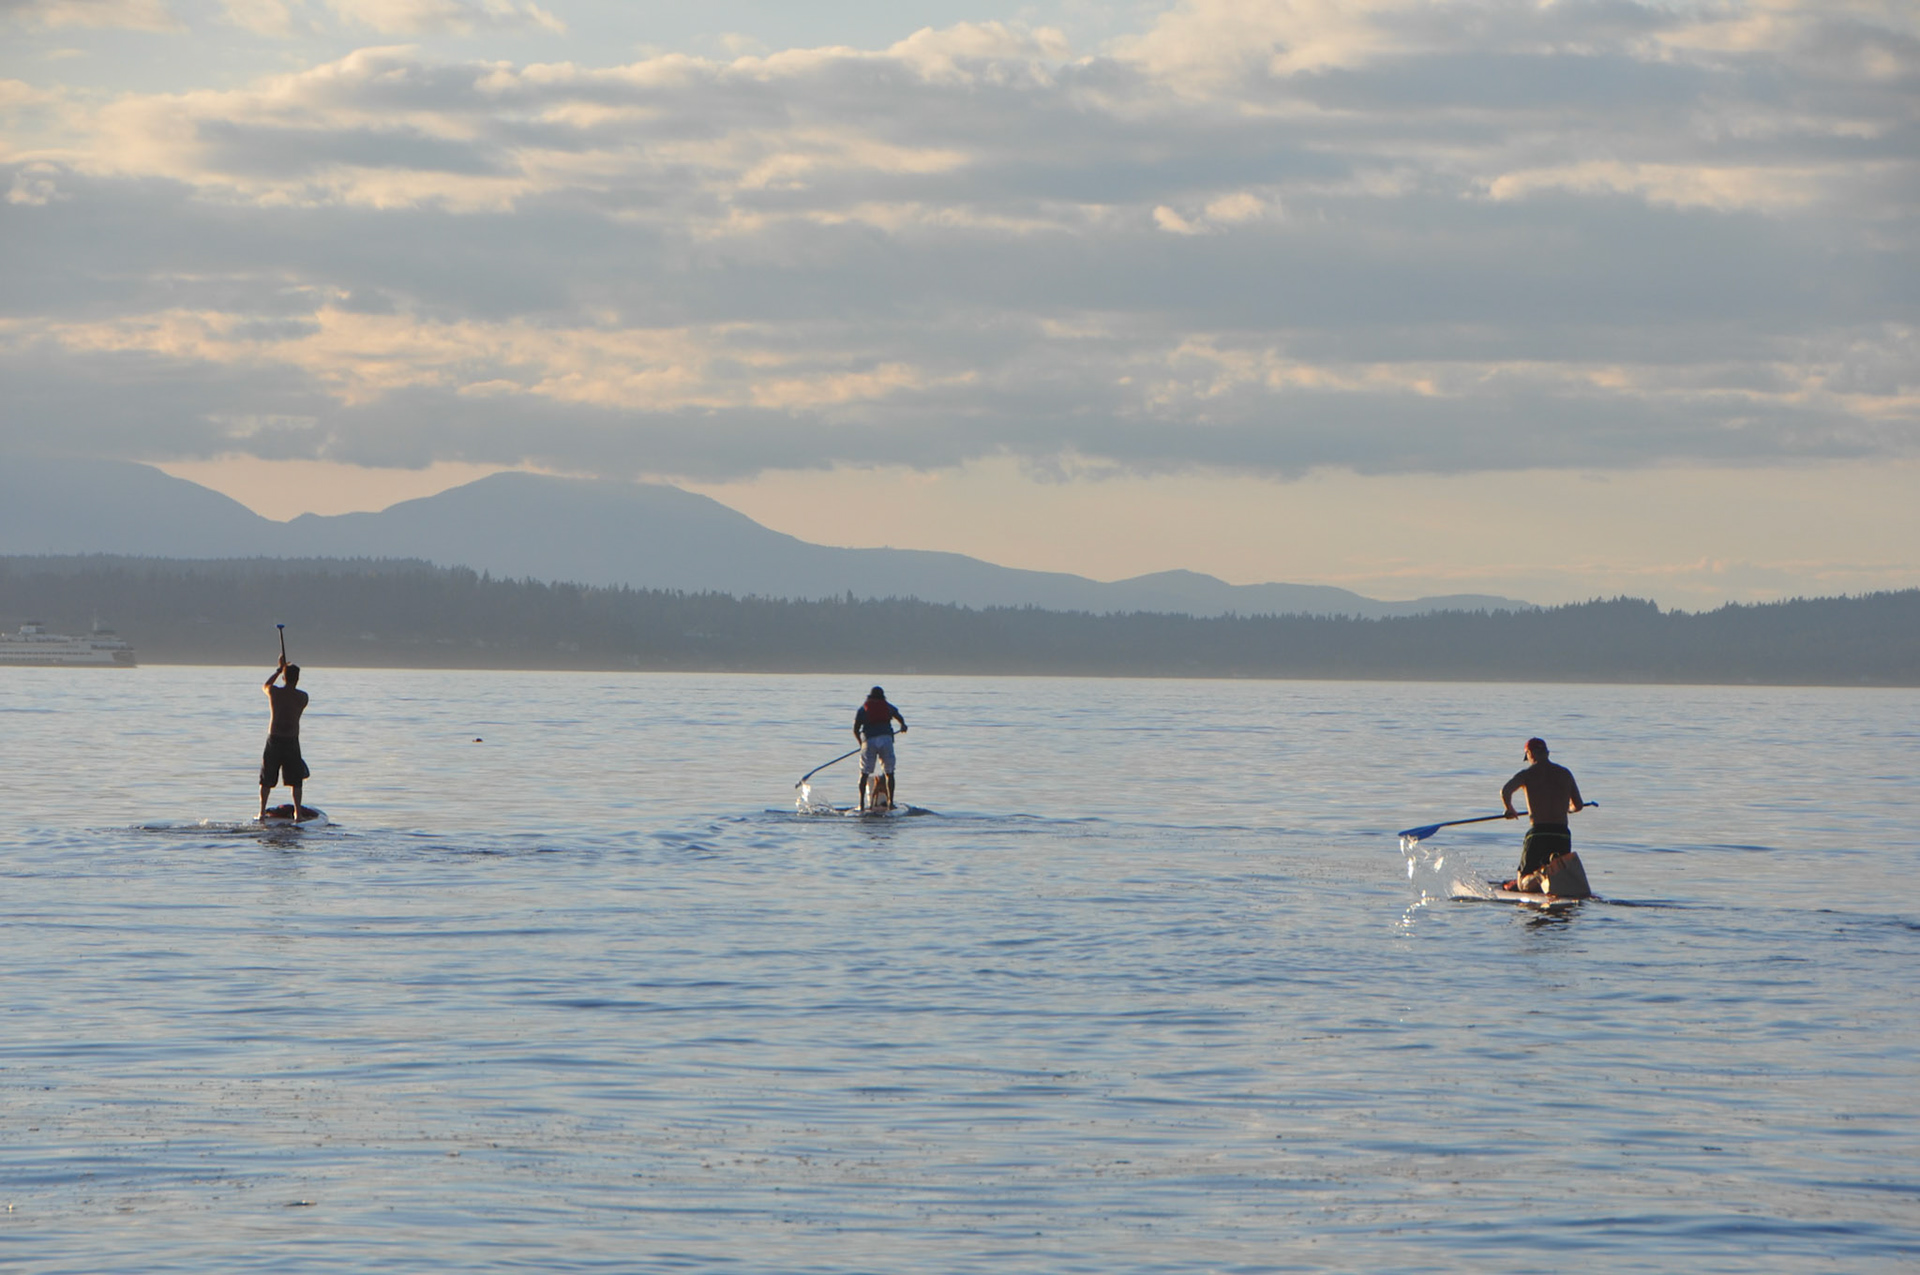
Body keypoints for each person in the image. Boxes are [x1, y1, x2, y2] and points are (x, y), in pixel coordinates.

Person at [1500, 737, 1585, 890]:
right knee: (1557, 876)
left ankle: (1540, 874)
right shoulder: (1565, 773)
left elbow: (1505, 791)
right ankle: (1548, 873)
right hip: (1562, 834)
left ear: (1530, 753)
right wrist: (1568, 809)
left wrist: (1509, 809)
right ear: (1547, 753)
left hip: (1539, 833)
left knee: (1522, 884)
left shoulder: (1527, 774)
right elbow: (1578, 805)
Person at [260, 654, 312, 820]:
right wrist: (284, 671)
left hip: (275, 740)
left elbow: (266, 685)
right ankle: (297, 813)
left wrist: (278, 669)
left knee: (267, 778)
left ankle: (261, 812)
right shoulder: (302, 697)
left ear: (283, 677)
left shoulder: (274, 692)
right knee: (295, 780)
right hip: (290, 740)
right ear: (297, 679)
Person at [853, 685, 907, 810]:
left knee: (864, 773)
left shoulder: (863, 709)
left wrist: (861, 744)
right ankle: (890, 803)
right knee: (889, 772)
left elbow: (855, 729)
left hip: (869, 741)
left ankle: (861, 804)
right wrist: (903, 726)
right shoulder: (887, 706)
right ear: (883, 697)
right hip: (886, 740)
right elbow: (900, 717)